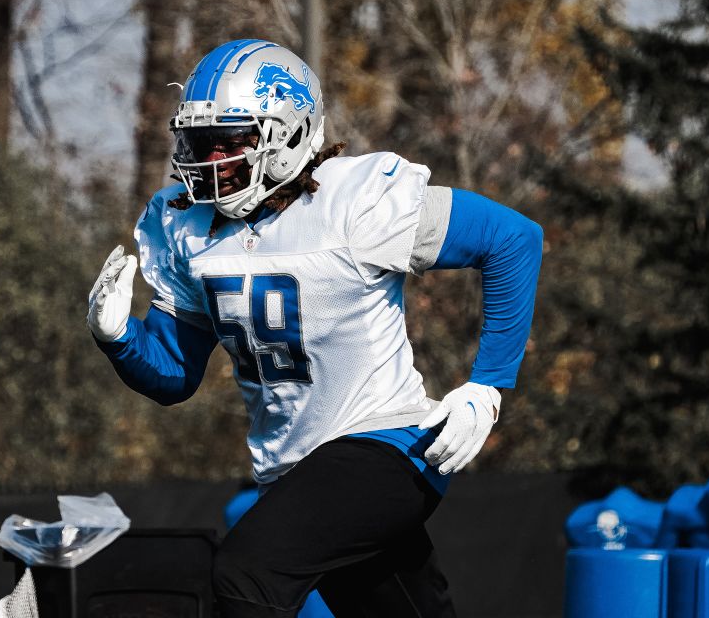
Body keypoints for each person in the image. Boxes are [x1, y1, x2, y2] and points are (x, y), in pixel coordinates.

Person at [88, 39, 543, 618]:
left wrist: (488, 387)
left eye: (230, 141)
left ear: (287, 134)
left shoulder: (352, 202)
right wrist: (119, 340)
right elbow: (175, 375)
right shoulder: (186, 228)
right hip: (296, 470)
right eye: (199, 142)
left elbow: (513, 239)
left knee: (246, 572)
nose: (210, 160)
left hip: (388, 445)